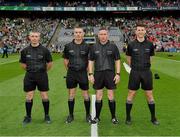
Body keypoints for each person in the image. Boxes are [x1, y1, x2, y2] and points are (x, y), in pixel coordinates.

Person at [125, 23, 159, 125]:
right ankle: (128, 117)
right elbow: (128, 58)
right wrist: (134, 67)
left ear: (145, 31)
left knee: (149, 94)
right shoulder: (131, 44)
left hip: (146, 72)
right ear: (136, 32)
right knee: (132, 93)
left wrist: (145, 66)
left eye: (142, 30)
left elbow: (151, 58)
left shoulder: (150, 44)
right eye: (138, 30)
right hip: (135, 72)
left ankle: (153, 118)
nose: (140, 31)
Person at [19, 31, 53, 125]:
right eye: (32, 36)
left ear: (39, 38)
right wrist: (30, 70)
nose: (34, 38)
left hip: (42, 75)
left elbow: (50, 63)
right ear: (29, 37)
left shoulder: (45, 50)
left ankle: (46, 116)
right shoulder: (24, 51)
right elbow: (22, 64)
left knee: (44, 96)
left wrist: (43, 70)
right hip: (29, 76)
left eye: (36, 36)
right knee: (29, 96)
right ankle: (28, 116)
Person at [89, 27, 121, 124]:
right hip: (98, 73)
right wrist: (90, 74)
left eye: (105, 34)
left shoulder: (113, 46)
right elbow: (91, 61)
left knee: (111, 95)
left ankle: (113, 117)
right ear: (98, 36)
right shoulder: (94, 47)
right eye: (101, 34)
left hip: (110, 73)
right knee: (99, 95)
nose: (103, 36)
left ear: (107, 35)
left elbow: (117, 60)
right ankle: (97, 117)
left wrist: (118, 74)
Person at [63, 25, 91, 123]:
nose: (78, 34)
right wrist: (70, 70)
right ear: (73, 34)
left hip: (83, 73)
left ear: (83, 34)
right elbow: (66, 60)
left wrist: (87, 72)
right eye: (76, 32)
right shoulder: (68, 46)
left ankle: (88, 115)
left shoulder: (87, 46)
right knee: (71, 94)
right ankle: (71, 115)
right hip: (71, 73)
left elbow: (89, 61)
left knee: (85, 95)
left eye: (80, 32)